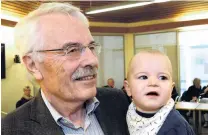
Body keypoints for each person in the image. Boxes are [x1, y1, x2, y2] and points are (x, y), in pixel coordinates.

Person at [2, 3, 130, 135]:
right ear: (33, 65)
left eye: (91, 47)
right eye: (72, 50)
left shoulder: (117, 101)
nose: (92, 60)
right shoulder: (11, 129)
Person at [124, 50, 195, 135]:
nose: (153, 83)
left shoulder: (177, 127)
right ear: (128, 88)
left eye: (162, 77)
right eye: (143, 77)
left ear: (171, 89)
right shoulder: (124, 115)